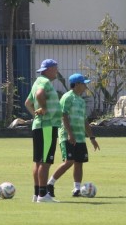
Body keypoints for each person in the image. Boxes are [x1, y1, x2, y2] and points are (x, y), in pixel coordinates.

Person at [46, 73, 100, 198]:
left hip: (80, 137)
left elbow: (84, 120)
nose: (86, 86)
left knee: (79, 162)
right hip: (67, 136)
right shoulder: (67, 97)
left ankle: (76, 189)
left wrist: (92, 138)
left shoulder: (81, 101)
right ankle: (50, 184)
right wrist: (70, 134)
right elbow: (63, 115)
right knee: (69, 161)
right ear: (76, 85)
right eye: (83, 84)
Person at [24, 59, 62, 203]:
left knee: (38, 161)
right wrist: (44, 109)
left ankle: (36, 194)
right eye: (55, 68)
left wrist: (35, 114)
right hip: (47, 126)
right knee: (45, 161)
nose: (57, 71)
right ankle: (42, 195)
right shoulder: (44, 83)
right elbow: (40, 94)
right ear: (48, 69)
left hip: (39, 125)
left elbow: (28, 103)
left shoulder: (37, 82)